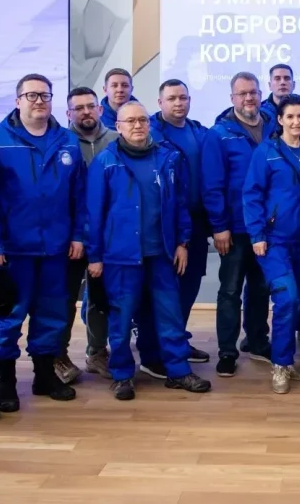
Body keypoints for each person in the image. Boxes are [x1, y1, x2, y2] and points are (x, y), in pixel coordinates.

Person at [86, 101, 212, 400]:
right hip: (120, 256)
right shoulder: (106, 162)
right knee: (121, 318)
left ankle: (178, 371)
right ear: (118, 126)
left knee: (170, 315)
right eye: (130, 121)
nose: (138, 126)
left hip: (162, 254)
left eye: (142, 120)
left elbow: (180, 204)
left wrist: (182, 242)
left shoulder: (168, 158)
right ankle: (121, 375)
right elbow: (93, 213)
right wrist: (95, 257)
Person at [0, 74, 83, 411]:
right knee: (8, 316)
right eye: (31, 95)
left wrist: (78, 235)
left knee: (52, 314)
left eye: (45, 95)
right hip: (12, 250)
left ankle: (45, 376)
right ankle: (6, 381)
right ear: (17, 101)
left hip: (56, 248)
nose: (39, 101)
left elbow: (79, 195)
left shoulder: (67, 141)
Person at [242, 94, 300, 394]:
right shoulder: (266, 152)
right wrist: (257, 235)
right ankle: (279, 364)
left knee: (298, 301)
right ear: (279, 120)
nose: (296, 121)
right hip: (274, 240)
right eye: (290, 116)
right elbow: (251, 194)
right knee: (286, 298)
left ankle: (287, 360)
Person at [201, 72, 274, 378]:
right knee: (230, 291)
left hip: (268, 228)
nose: (249, 98)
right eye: (242, 93)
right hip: (234, 228)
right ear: (232, 98)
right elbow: (212, 185)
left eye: (253, 92)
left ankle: (257, 341)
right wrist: (219, 227)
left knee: (261, 288)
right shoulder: (219, 134)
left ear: (261, 94)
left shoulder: (274, 126)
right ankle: (228, 352)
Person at [145, 79, 212, 368]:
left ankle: (177, 339)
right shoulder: (150, 133)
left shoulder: (199, 132)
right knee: (162, 289)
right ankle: (155, 348)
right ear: (160, 102)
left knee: (190, 283)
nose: (178, 103)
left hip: (196, 220)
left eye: (183, 98)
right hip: (163, 224)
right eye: (172, 98)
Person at [62, 86, 119, 382]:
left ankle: (97, 352)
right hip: (69, 236)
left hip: (107, 234)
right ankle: (58, 355)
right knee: (64, 299)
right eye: (78, 108)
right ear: (68, 113)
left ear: (100, 109)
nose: (85, 112)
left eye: (90, 106)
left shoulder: (117, 140)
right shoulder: (61, 142)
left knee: (100, 296)